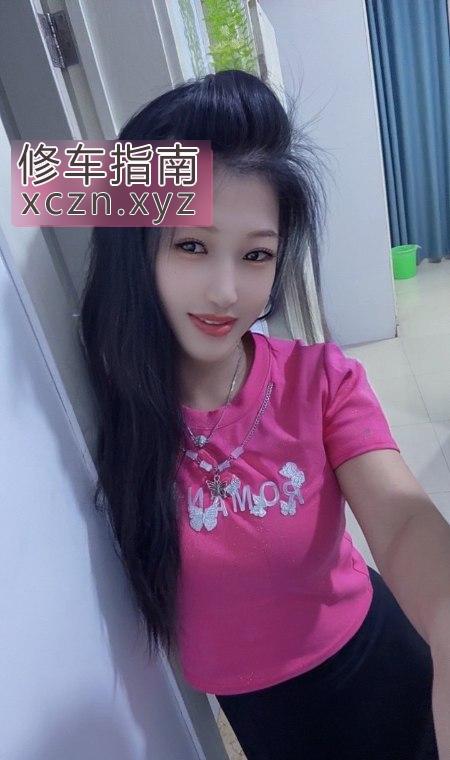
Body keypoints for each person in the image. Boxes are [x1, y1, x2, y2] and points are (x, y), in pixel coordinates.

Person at [78, 69, 439, 759]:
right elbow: (22, 185)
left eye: (256, 255)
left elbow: (400, 518)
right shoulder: (104, 397)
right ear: (138, 245)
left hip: (380, 670)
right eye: (191, 245)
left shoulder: (319, 380)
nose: (226, 290)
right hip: (263, 721)